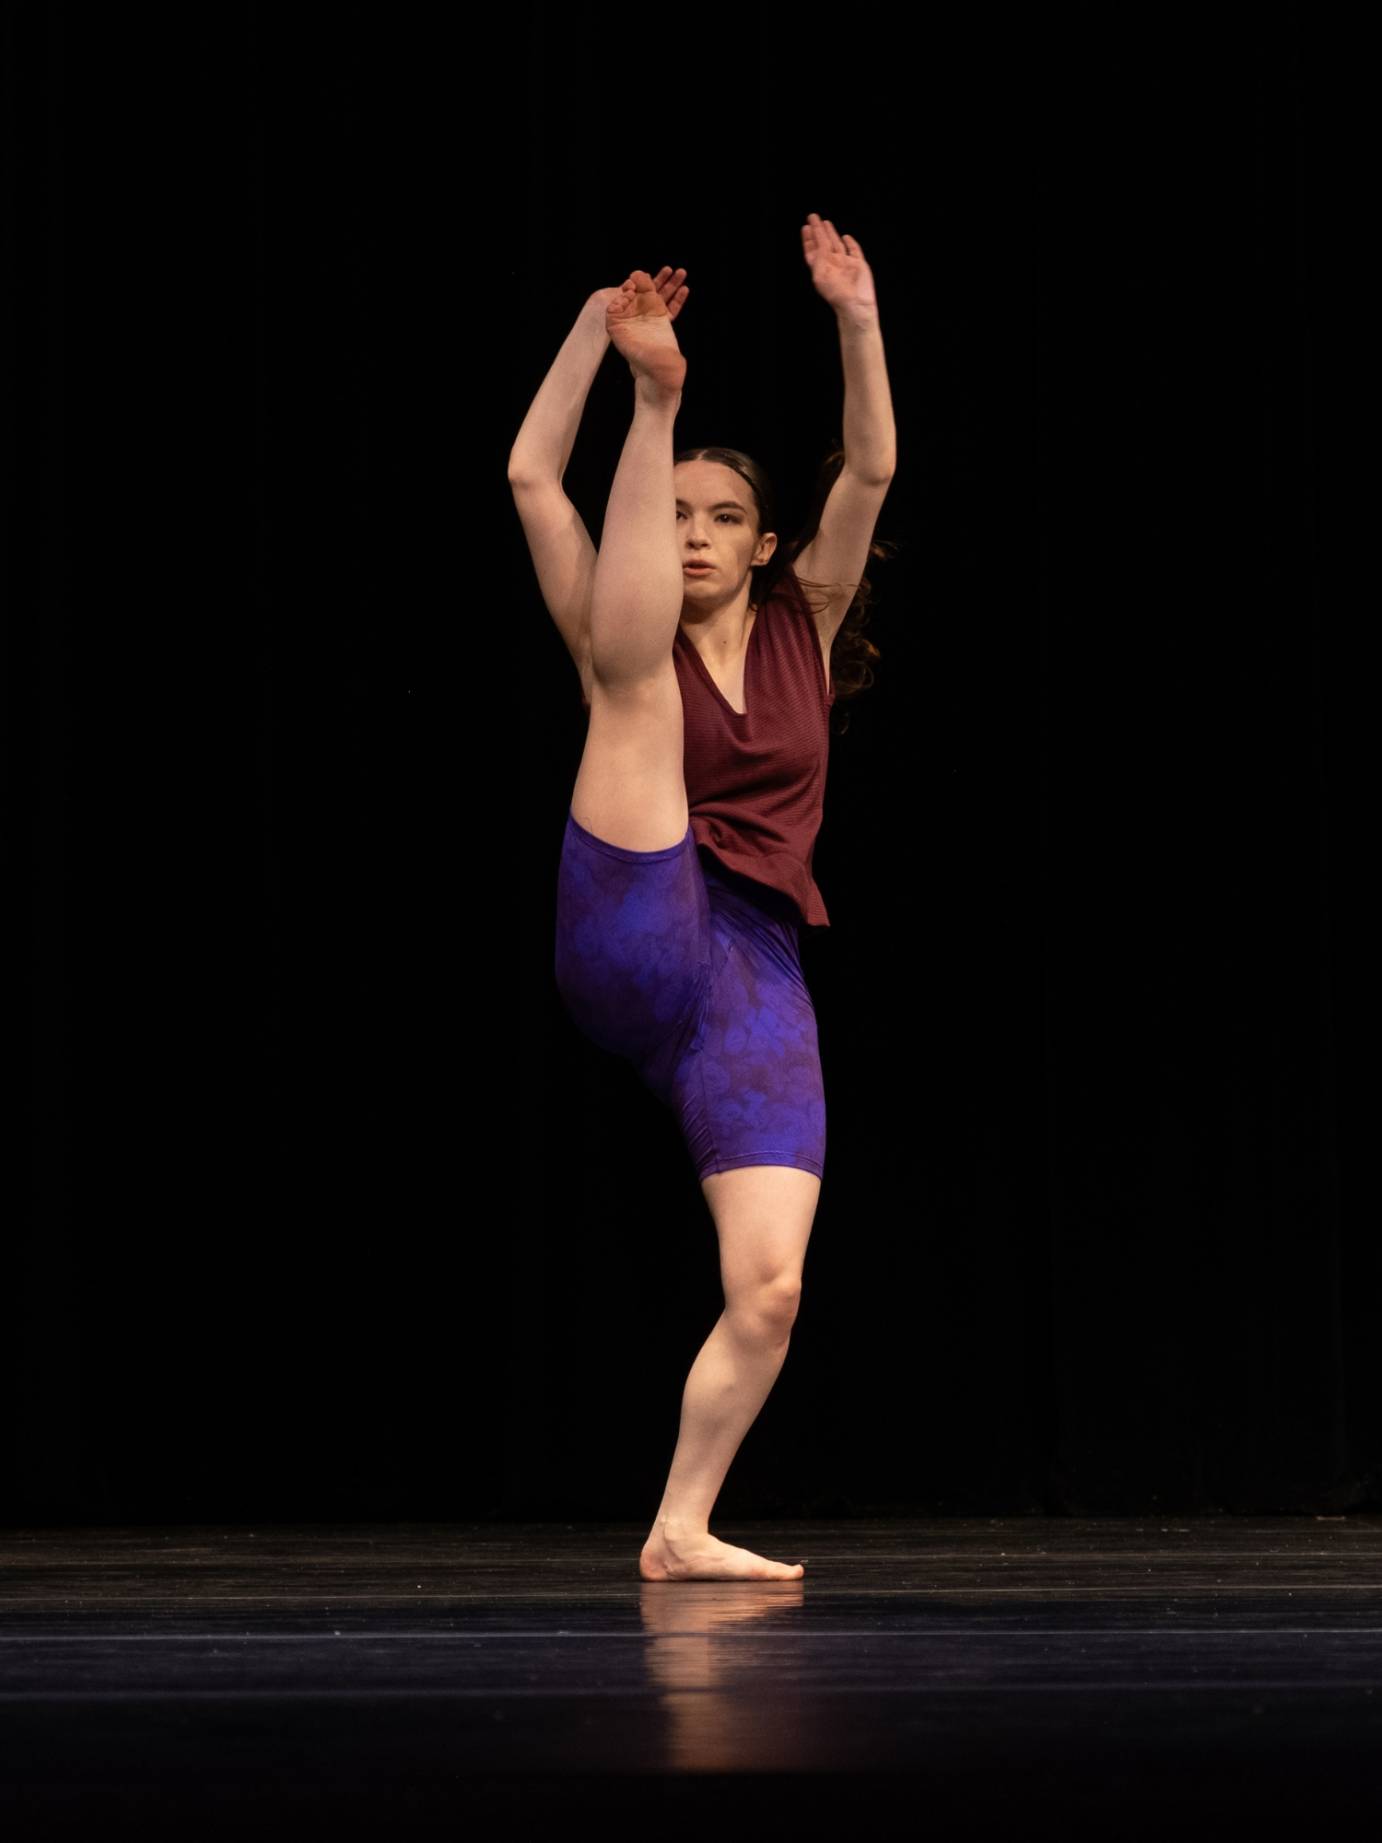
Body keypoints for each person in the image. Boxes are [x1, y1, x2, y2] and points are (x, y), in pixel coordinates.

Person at [508, 216, 897, 1580]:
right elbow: (528, 473)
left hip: (748, 969)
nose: (693, 537)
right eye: (672, 512)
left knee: (772, 1285)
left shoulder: (806, 616)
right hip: (632, 914)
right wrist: (605, 342)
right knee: (628, 680)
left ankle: (679, 1527)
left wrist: (854, 312)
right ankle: (657, 398)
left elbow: (874, 465)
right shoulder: (621, 623)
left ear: (760, 543)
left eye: (718, 517)